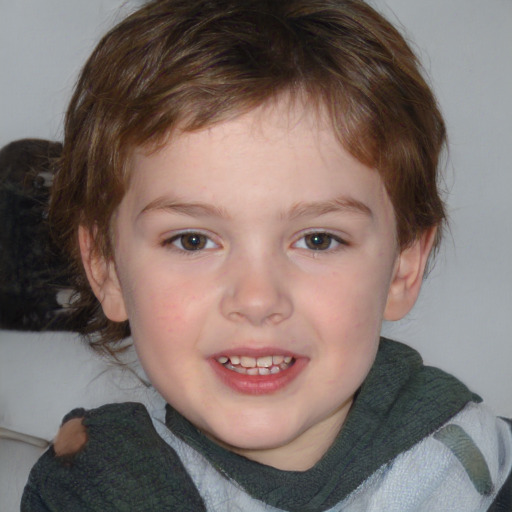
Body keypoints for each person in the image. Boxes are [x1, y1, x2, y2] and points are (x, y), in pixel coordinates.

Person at [21, 0, 511, 510]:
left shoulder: (480, 465)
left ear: (404, 265)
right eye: (192, 240)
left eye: (318, 240)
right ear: (106, 267)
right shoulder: (87, 490)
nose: (257, 299)